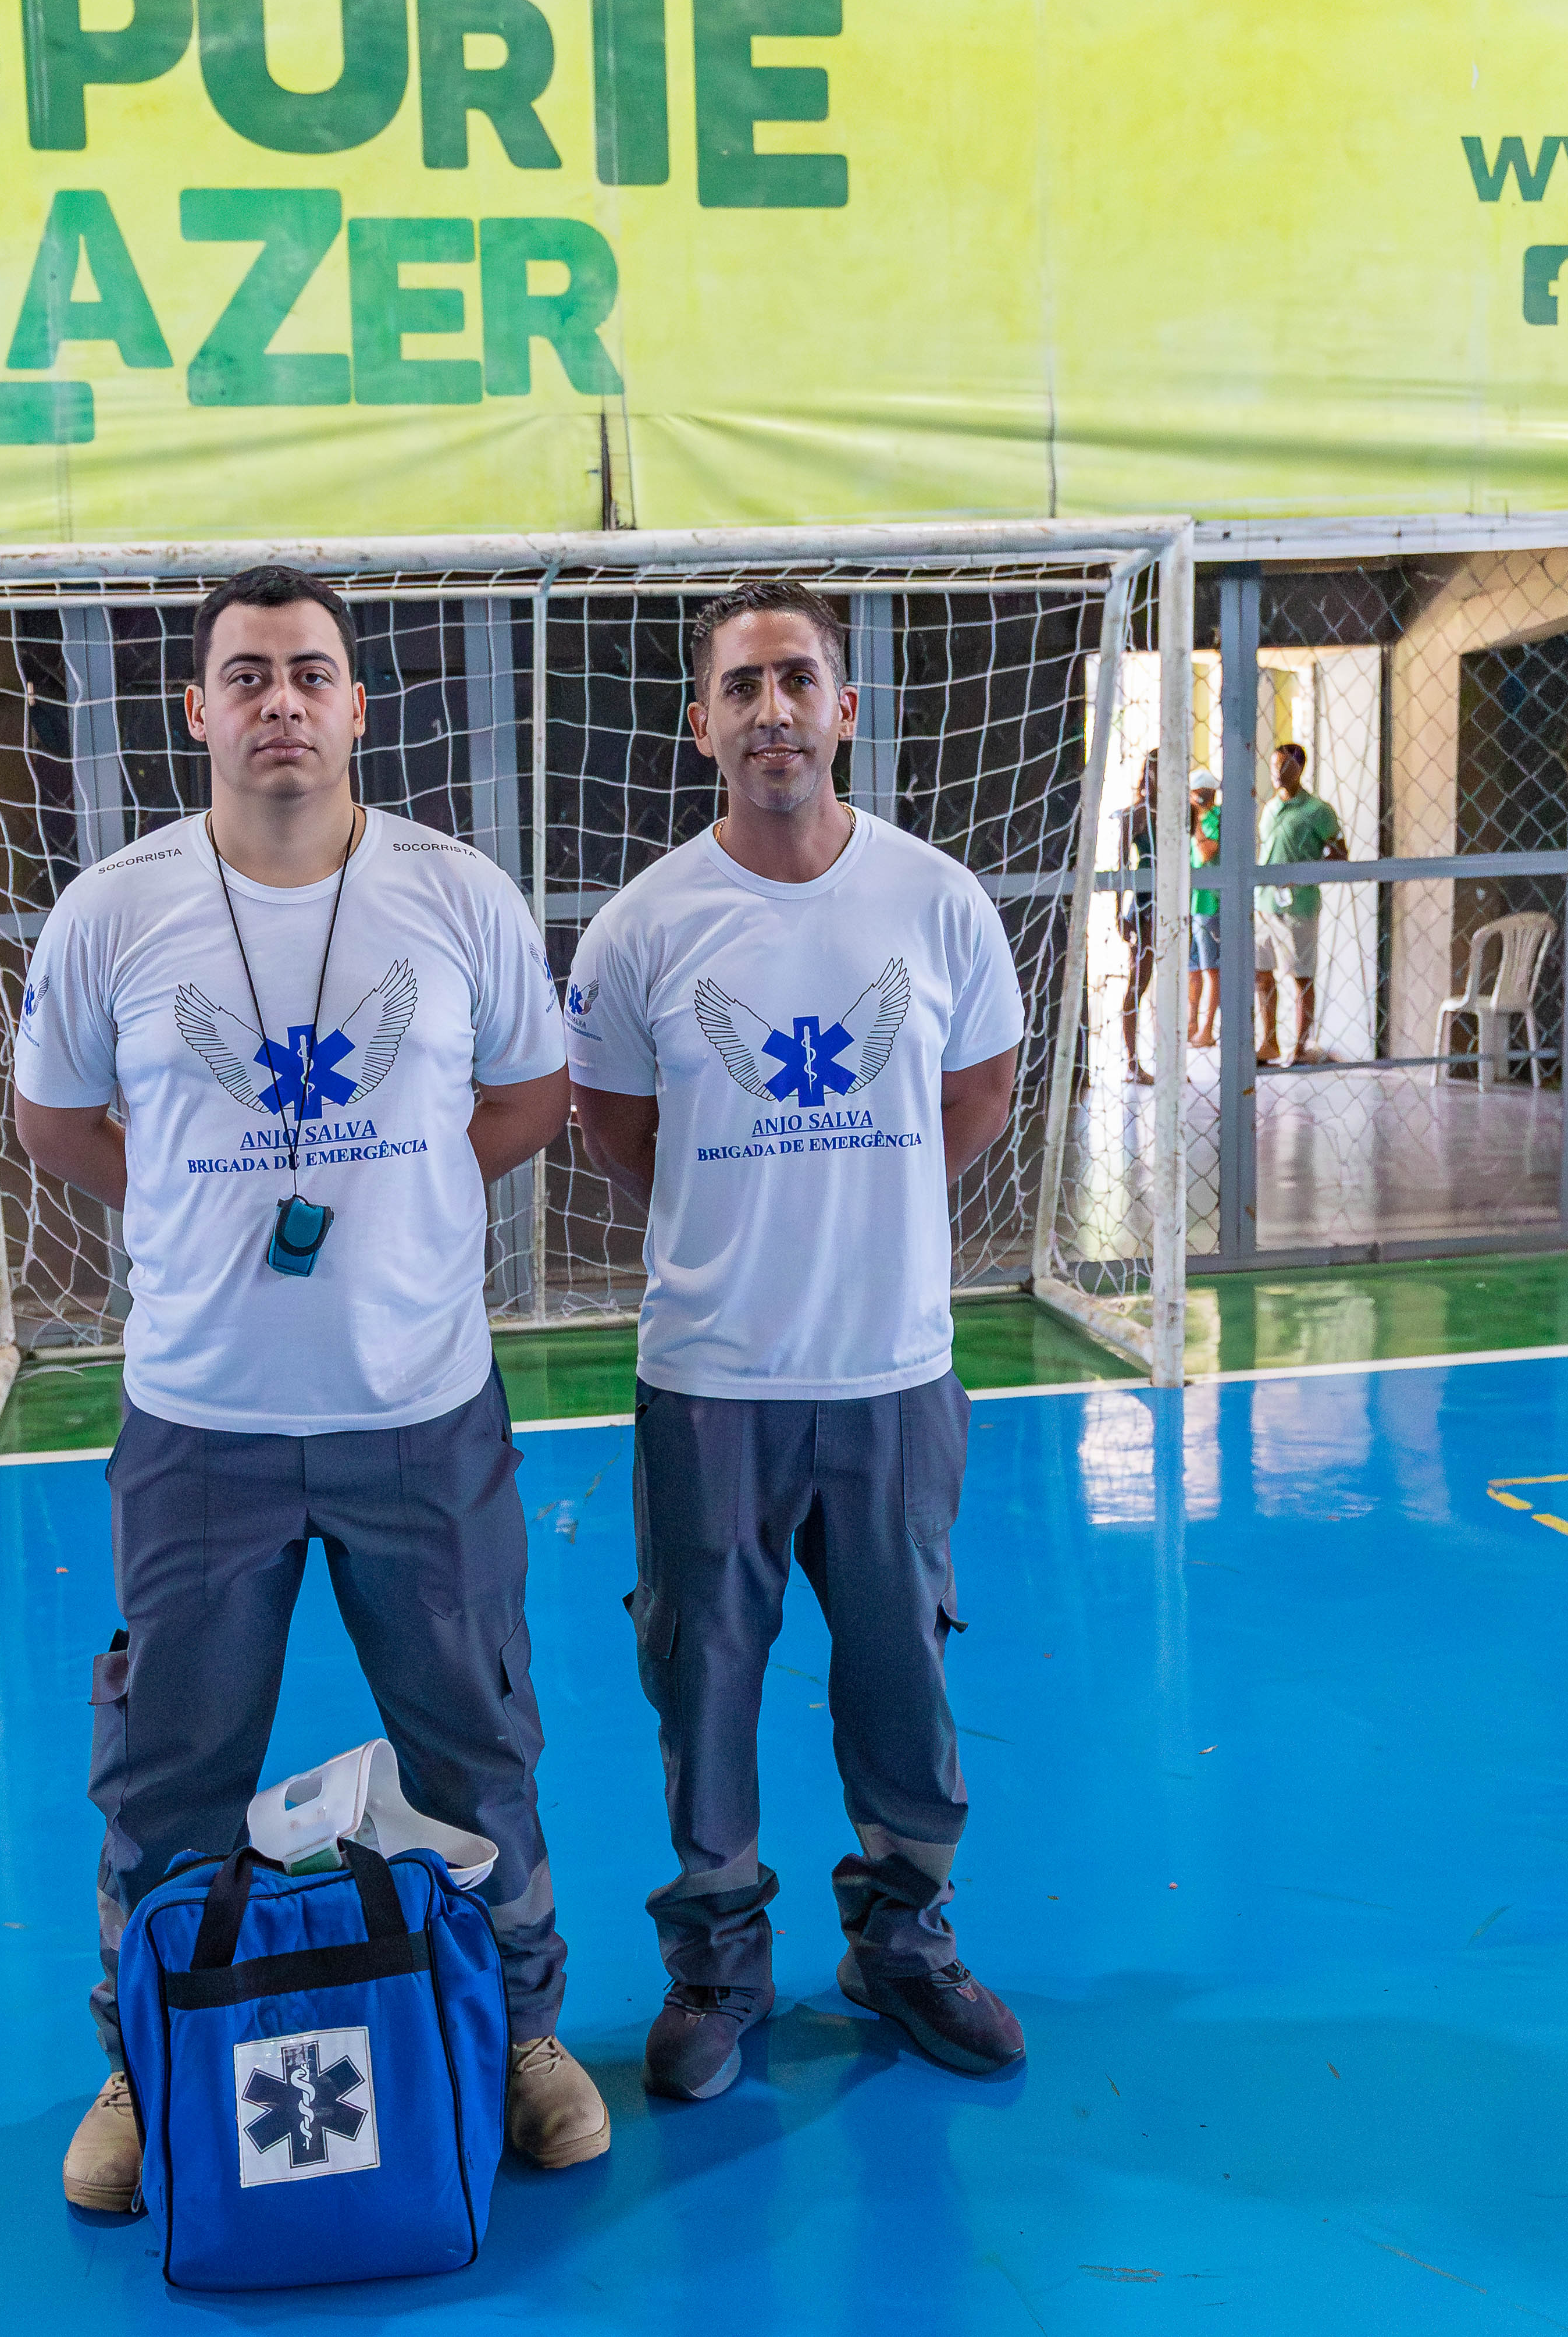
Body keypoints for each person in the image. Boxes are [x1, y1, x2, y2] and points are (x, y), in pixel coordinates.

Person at [10, 563, 609, 2213]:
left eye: (311, 673)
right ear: (195, 711)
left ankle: (523, 2034)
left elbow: (533, 1094)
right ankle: (144, 2062)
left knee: (476, 1741)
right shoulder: (114, 911)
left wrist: (403, 1206)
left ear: (358, 707)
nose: (281, 700)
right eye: (247, 674)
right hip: (199, 1421)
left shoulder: (457, 895)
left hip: (419, 1412)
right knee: (168, 1770)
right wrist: (188, 1210)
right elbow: (56, 1119)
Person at [565, 578, 1029, 2103]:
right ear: (701, 723)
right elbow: (619, 1128)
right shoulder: (643, 926)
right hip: (713, 1381)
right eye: (742, 686)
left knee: (903, 1681)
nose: (772, 709)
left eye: (797, 679)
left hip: (894, 1373)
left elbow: (977, 1095)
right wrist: (755, 1218)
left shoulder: (936, 901)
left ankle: (904, 1941)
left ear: (845, 707)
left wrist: (858, 1207)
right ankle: (717, 1965)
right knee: (702, 1686)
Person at [1252, 741, 1348, 1065]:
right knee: (1262, 972)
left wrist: (1305, 873)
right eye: (1274, 765)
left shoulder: (1318, 811)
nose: (1278, 772)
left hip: (1299, 906)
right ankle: (1269, 1042)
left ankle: (1301, 1046)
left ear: (1300, 768)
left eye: (1285, 766)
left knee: (1301, 976)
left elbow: (1340, 855)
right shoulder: (1269, 809)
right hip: (1266, 903)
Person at [1116, 754, 1161, 1085]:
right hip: (1145, 905)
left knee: (1178, 981)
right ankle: (1133, 1062)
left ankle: (1172, 1060)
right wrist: (1119, 912)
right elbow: (1121, 866)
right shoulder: (1135, 815)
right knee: (1138, 982)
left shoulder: (1184, 811)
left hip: (1176, 904)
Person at [1185, 778, 1223, 1052]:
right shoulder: (1193, 821)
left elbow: (1206, 852)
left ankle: (1208, 1029)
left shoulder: (1216, 818)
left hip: (1211, 905)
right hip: (1193, 904)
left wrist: (1197, 823)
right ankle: (1191, 1024)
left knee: (1212, 970)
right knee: (1193, 969)